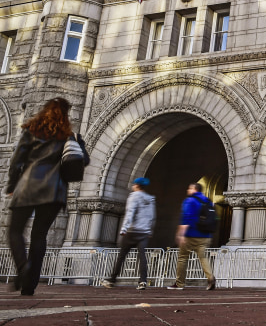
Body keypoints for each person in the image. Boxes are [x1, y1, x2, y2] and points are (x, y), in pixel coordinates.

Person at [6, 98, 89, 296]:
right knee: (39, 235)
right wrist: (79, 145)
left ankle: (23, 267)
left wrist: (11, 184)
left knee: (15, 231)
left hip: (28, 186)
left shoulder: (31, 131)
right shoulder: (69, 136)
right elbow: (83, 160)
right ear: (66, 115)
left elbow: (17, 160)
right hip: (55, 192)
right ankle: (30, 284)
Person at [101, 177, 156, 290]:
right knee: (142, 256)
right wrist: (150, 230)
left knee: (121, 256)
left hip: (132, 231)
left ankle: (112, 279)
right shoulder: (150, 199)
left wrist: (124, 229)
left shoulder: (133, 196)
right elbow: (152, 216)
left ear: (136, 185)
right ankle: (143, 281)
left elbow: (130, 213)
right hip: (144, 231)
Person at [167, 183, 216, 290]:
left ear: (194, 189)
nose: (187, 190)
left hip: (191, 234)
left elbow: (186, 217)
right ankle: (210, 277)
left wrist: (180, 234)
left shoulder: (190, 200)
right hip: (206, 235)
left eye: (189, 188)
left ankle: (179, 283)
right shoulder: (208, 201)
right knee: (203, 257)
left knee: (183, 258)